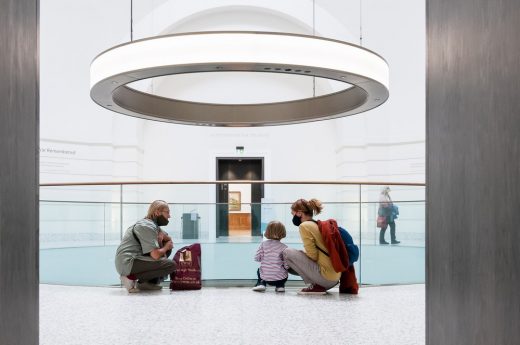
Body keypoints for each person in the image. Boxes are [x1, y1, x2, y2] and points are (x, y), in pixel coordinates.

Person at [115, 200, 176, 292]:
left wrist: (163, 236)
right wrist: (166, 246)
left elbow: (169, 239)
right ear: (157, 212)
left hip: (135, 259)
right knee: (170, 265)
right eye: (167, 212)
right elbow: (155, 255)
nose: (169, 216)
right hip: (128, 262)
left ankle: (146, 283)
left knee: (165, 249)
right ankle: (130, 277)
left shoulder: (153, 225)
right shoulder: (146, 226)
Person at [283, 198, 341, 295]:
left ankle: (315, 285)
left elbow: (313, 255)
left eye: (293, 214)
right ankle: (316, 284)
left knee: (286, 252)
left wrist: (301, 254)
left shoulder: (304, 226)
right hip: (335, 278)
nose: (293, 218)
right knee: (298, 253)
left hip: (325, 279)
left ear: (299, 213)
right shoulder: (316, 224)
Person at [252, 221, 288, 293]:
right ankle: (280, 286)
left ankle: (261, 283)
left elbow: (257, 258)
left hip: (265, 277)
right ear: (283, 232)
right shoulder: (284, 247)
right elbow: (286, 264)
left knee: (259, 270)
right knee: (284, 270)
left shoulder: (263, 245)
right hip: (280, 278)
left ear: (267, 232)